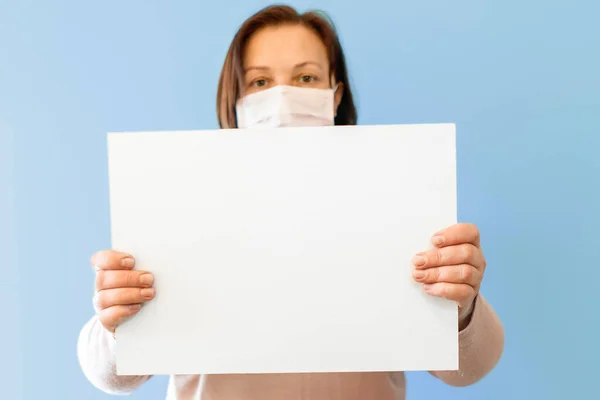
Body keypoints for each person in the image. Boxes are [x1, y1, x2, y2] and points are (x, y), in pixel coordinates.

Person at [77, 4, 504, 399]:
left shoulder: (398, 201)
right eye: (261, 81)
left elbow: (467, 369)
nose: (282, 96)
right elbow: (115, 376)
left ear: (335, 96)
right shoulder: (177, 203)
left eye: (305, 78)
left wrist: (462, 308)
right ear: (237, 101)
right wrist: (116, 323)